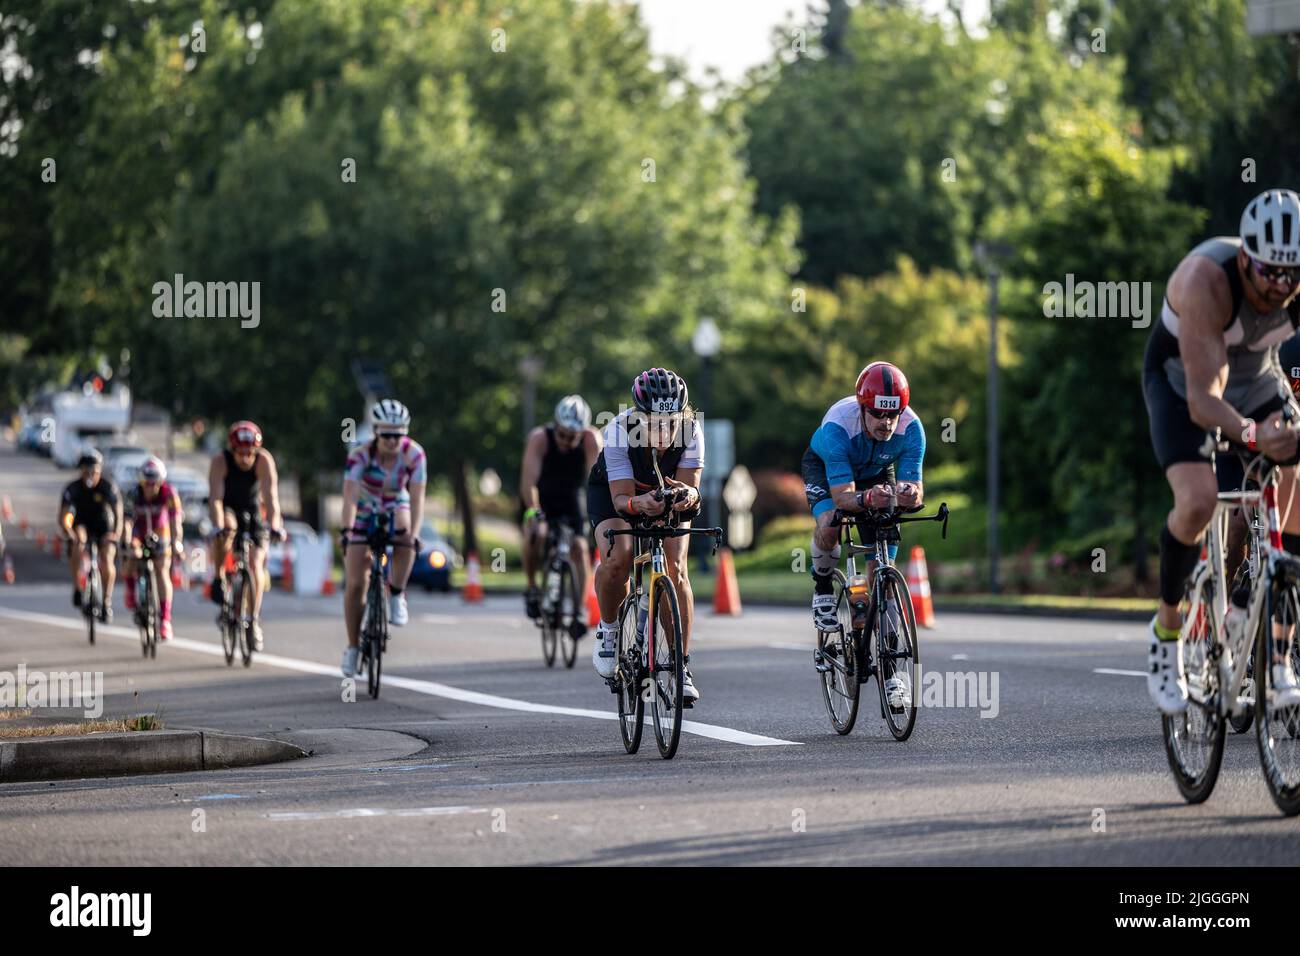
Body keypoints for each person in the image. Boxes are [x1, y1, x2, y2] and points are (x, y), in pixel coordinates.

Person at [1143, 188, 1300, 714]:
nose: (1280, 286)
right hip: (1182, 383)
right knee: (1198, 500)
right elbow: (1203, 400)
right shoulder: (1205, 280)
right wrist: (1254, 437)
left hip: (1255, 378)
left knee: (1295, 464)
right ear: (1244, 259)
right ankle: (1166, 635)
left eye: (1291, 274)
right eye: (1270, 272)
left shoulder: (1294, 286)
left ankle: (1262, 611)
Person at [801, 361, 925, 709]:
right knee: (831, 522)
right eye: (877, 415)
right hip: (829, 470)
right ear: (862, 407)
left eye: (893, 416)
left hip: (875, 472)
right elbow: (843, 498)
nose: (886, 424)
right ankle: (823, 585)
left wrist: (909, 494)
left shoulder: (912, 427)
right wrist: (865, 498)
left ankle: (892, 677)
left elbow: (916, 487)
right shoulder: (838, 427)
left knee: (881, 580)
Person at [588, 368, 705, 703]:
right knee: (619, 556)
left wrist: (687, 496)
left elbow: (691, 490)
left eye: (672, 421)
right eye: (654, 421)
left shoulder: (693, 430)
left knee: (676, 567)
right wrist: (641, 505)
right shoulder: (617, 431)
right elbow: (622, 500)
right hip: (616, 495)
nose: (664, 430)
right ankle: (609, 630)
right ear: (638, 416)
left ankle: (681, 665)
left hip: (662, 494)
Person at [339, 399, 426, 678]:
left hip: (395, 502)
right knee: (355, 584)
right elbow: (350, 496)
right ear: (375, 432)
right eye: (386, 435)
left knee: (405, 535)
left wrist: (414, 535)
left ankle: (397, 593)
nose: (392, 441)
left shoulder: (414, 455)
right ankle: (353, 647)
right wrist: (346, 530)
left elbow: (417, 499)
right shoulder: (360, 454)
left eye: (398, 435)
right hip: (365, 505)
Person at [519, 395, 601, 632]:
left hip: (572, 498)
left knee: (580, 548)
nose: (566, 441)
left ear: (582, 432)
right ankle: (533, 587)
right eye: (562, 435)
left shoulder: (590, 439)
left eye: (572, 437)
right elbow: (528, 483)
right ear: (555, 426)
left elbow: (598, 481)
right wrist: (534, 512)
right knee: (538, 533)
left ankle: (578, 611)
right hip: (541, 497)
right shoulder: (539, 438)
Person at [208, 420, 285, 651]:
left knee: (256, 563)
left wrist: (275, 525)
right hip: (228, 508)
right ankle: (220, 576)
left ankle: (253, 620)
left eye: (249, 453)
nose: (245, 458)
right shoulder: (220, 461)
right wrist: (218, 525)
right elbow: (216, 499)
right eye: (240, 453)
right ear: (233, 450)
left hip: (252, 511)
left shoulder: (264, 460)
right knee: (227, 529)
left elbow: (271, 498)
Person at [122, 456, 184, 640]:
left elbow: (175, 520)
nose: (150, 488)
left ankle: (165, 620)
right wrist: (127, 542)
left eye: (154, 483)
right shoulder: (133, 493)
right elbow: (126, 522)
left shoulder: (169, 493)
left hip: (160, 531)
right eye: (146, 484)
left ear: (160, 482)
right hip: (138, 532)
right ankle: (131, 589)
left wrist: (177, 543)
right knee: (131, 555)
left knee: (161, 570)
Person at [58, 450, 123, 622]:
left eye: (93, 471)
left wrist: (116, 533)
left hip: (103, 524)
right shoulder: (73, 489)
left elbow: (118, 512)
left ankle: (106, 602)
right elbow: (65, 516)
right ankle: (77, 588)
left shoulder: (108, 487)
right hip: (81, 523)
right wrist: (69, 532)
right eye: (86, 471)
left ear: (99, 471)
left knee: (107, 558)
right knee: (77, 543)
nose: (90, 475)